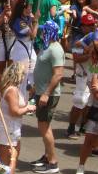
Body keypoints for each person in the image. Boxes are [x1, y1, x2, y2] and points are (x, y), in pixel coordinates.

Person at [27, 21, 65, 174]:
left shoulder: (56, 49)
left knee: (44, 127)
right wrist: (35, 88)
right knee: (44, 126)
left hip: (48, 94)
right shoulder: (46, 46)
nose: (42, 33)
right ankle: (47, 156)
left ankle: (53, 163)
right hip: (40, 91)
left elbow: (59, 74)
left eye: (44, 30)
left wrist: (46, 93)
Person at [0, 62, 33, 173]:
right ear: (19, 74)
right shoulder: (12, 90)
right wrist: (28, 108)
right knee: (6, 159)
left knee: (12, 157)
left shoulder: (10, 87)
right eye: (24, 74)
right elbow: (14, 112)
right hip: (9, 127)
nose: (24, 77)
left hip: (12, 126)